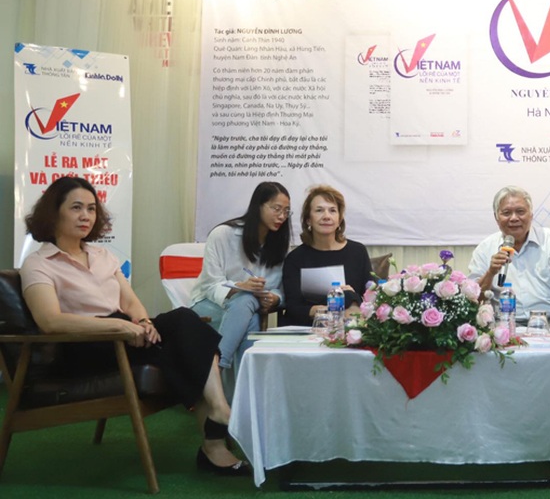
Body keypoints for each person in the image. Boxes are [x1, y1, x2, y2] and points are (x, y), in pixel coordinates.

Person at [19, 177, 250, 475]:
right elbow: (50, 321)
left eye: (91, 208)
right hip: (83, 344)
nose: (86, 216)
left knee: (184, 319)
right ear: (54, 212)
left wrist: (142, 322)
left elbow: (129, 302)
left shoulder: (102, 255)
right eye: (76, 208)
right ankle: (215, 440)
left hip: (122, 333)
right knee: (186, 347)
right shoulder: (38, 263)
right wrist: (120, 328)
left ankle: (219, 414)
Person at [190, 181, 290, 370]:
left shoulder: (279, 244)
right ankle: (222, 368)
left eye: (286, 211)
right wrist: (240, 287)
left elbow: (281, 289)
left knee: (247, 308)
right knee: (247, 304)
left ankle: (218, 372)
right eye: (276, 209)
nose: (282, 216)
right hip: (207, 304)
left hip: (249, 309)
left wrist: (274, 298)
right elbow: (210, 285)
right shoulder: (222, 235)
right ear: (258, 206)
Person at [468, 185, 550, 337]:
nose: (514, 218)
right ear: (497, 218)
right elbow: (474, 298)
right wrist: (491, 272)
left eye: (520, 211)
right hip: (504, 320)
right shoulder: (485, 248)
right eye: (506, 213)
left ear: (531, 215)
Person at [281, 185, 372, 326]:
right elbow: (293, 307)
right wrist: (325, 310)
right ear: (308, 219)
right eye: (319, 210)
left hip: (349, 327)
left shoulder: (358, 252)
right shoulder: (295, 258)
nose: (326, 216)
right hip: (308, 328)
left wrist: (353, 298)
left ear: (339, 219)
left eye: (332, 210)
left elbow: (371, 298)